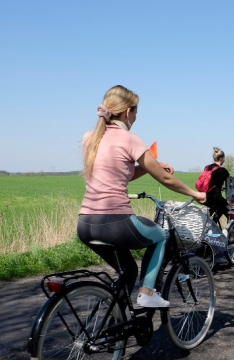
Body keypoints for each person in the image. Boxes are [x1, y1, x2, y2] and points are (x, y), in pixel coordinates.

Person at [77, 85, 206, 309]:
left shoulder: (90, 137)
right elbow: (165, 180)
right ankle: (147, 293)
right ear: (128, 112)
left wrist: (149, 167)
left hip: (86, 223)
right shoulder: (129, 139)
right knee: (159, 236)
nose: (136, 118)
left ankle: (111, 327)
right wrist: (195, 193)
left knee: (128, 270)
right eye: (136, 113)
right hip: (114, 222)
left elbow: (118, 174)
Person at [203, 147, 230, 225]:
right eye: (224, 158)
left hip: (206, 196)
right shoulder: (223, 171)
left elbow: (210, 182)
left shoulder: (207, 167)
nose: (224, 160)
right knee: (230, 214)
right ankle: (230, 236)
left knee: (218, 208)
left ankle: (212, 226)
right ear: (221, 158)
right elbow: (231, 184)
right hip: (216, 197)